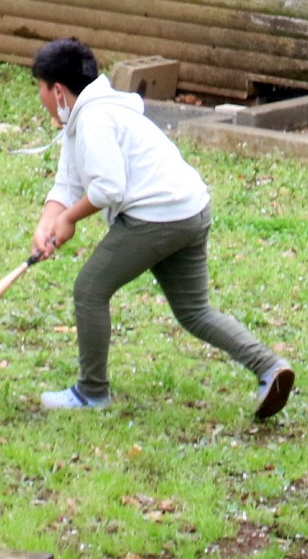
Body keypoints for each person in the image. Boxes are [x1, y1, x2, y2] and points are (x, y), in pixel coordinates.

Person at [26, 37, 293, 419]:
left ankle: (91, 392)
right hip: (192, 209)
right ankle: (270, 368)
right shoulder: (91, 111)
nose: (39, 96)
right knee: (194, 311)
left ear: (57, 89)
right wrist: (46, 223)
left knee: (90, 289)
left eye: (39, 87)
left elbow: (107, 188)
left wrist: (68, 219)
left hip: (157, 218)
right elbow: (67, 183)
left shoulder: (94, 120)